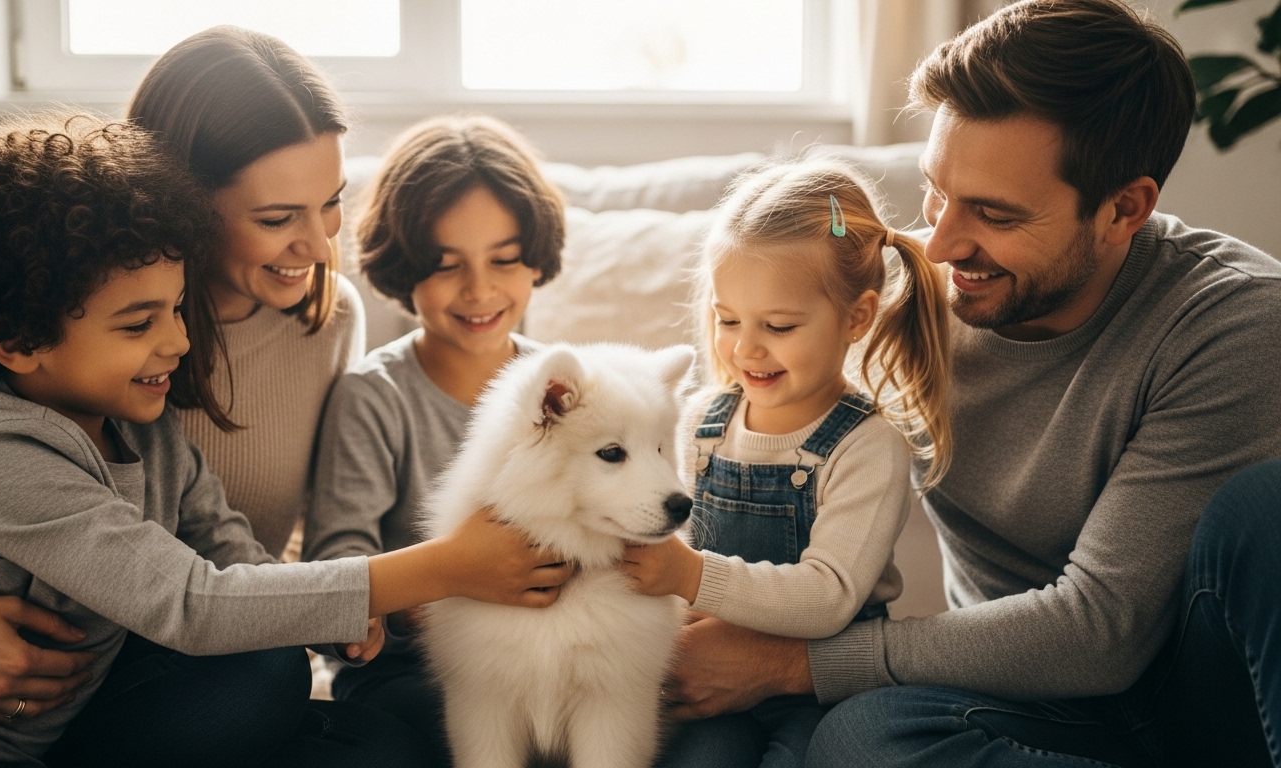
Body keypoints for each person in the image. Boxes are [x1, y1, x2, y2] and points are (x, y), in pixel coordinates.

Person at [0, 29, 574, 768]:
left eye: (328, 204)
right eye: (277, 218)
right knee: (266, 677)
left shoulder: (236, 363)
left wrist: (348, 607)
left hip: (167, 667)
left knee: (351, 732)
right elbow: (191, 597)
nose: (316, 245)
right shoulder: (31, 317)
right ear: (182, 205)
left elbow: (224, 535)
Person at [654, 2, 1281, 766]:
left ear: (1125, 210)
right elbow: (720, 381)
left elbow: (1102, 629)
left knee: (1266, 509)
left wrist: (788, 666)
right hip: (1007, 700)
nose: (943, 242)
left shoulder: (1232, 322)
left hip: (1195, 695)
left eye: (992, 212)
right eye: (935, 190)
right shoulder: (896, 291)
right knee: (860, 741)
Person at [614, 161, 950, 767]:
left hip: (819, 691)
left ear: (856, 317)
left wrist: (688, 575)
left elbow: (828, 597)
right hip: (707, 676)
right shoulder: (700, 420)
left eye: (779, 325)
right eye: (728, 320)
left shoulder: (868, 444)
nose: (746, 348)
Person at [305, 113, 565, 764]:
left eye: (504, 261)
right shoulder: (375, 397)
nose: (479, 290)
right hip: (408, 677)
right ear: (403, 271)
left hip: (551, 665)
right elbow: (340, 564)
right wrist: (417, 601)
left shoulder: (566, 388)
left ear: (534, 261)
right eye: (447, 267)